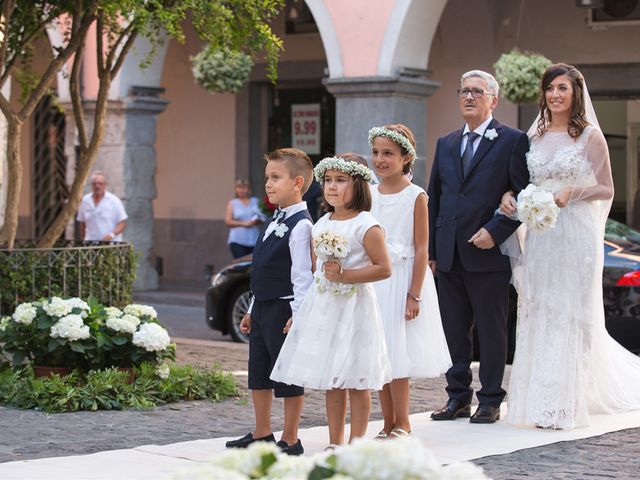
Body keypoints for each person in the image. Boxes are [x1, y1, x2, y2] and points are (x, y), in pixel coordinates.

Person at [500, 63, 640, 429]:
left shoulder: (591, 136)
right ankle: (537, 400)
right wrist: (510, 198)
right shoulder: (535, 136)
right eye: (550, 88)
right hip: (542, 235)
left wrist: (571, 192)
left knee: (569, 313)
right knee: (541, 309)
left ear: (576, 93)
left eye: (562, 88)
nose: (555, 95)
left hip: (575, 234)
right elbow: (521, 181)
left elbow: (606, 188)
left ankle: (563, 404)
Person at [427, 70, 529, 424]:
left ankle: (490, 399)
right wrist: (433, 253)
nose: (469, 97)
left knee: (491, 330)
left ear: (493, 100)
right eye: (464, 91)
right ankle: (457, 398)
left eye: (477, 92)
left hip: (488, 254)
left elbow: (523, 197)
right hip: (449, 253)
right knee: (454, 331)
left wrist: (495, 231)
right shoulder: (446, 142)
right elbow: (435, 199)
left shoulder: (512, 141)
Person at [271, 156, 392, 447]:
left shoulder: (367, 226)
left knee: (356, 378)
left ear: (358, 184)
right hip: (327, 307)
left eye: (340, 181)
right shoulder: (322, 222)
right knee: (333, 379)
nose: (332, 187)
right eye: (328, 181)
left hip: (355, 308)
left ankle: (357, 443)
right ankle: (334, 441)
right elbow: (317, 268)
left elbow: (384, 267)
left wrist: (346, 274)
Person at [225, 148, 314, 455]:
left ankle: (291, 438)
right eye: (267, 178)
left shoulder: (302, 224)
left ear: (298, 182)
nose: (268, 184)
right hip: (262, 306)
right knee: (259, 371)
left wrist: (298, 316)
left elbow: (303, 276)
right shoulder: (274, 218)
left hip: (283, 309)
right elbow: (261, 269)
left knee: (288, 373)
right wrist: (251, 307)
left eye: (276, 178)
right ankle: (262, 432)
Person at [368, 124, 451, 439]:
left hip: (403, 279)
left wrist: (414, 295)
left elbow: (420, 248)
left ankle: (402, 421)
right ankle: (386, 421)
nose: (380, 159)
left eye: (388, 153)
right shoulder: (370, 194)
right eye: (376, 152)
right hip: (377, 281)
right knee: (379, 351)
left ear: (406, 158)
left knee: (398, 353)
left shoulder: (416, 195)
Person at [77, 171, 128, 241]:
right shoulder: (85, 200)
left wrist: (111, 235)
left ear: (105, 185)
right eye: (94, 184)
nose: (97, 186)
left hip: (111, 245)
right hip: (91, 244)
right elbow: (82, 223)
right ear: (91, 185)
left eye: (100, 184)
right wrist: (83, 241)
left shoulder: (114, 201)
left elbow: (123, 222)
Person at [225, 179, 264, 258]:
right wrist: (244, 223)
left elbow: (263, 218)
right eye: (239, 187)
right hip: (237, 240)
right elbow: (228, 221)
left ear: (249, 189)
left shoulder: (256, 201)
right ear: (236, 189)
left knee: (253, 265)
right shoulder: (233, 203)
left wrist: (256, 221)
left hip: (254, 239)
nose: (242, 190)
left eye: (244, 187)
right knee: (240, 265)